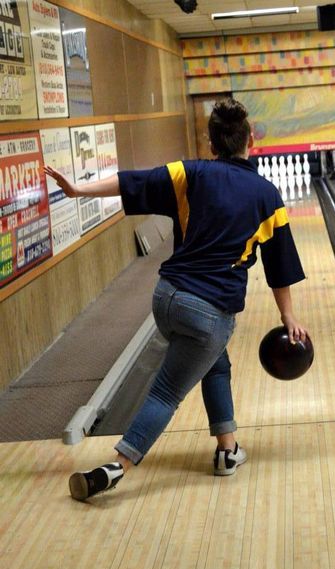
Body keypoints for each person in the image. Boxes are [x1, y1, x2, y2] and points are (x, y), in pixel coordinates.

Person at [45, 98, 308, 501]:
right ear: (251, 139)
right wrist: (288, 316)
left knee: (215, 363)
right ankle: (116, 467)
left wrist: (79, 189)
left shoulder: (189, 172)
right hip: (209, 313)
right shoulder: (267, 195)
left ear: (210, 142)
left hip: (166, 298)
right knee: (167, 392)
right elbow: (280, 268)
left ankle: (227, 450)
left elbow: (130, 181)